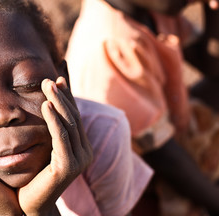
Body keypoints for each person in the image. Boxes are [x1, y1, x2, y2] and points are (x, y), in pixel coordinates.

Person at [0, 0, 153, 215]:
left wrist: (43, 212)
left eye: (28, 82)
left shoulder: (103, 133)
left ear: (63, 79)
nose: (1, 114)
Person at [65, 0, 219, 214]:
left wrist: (213, 11)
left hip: (168, 130)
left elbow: (212, 65)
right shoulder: (110, 42)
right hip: (141, 177)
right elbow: (162, 156)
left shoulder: (154, 9)